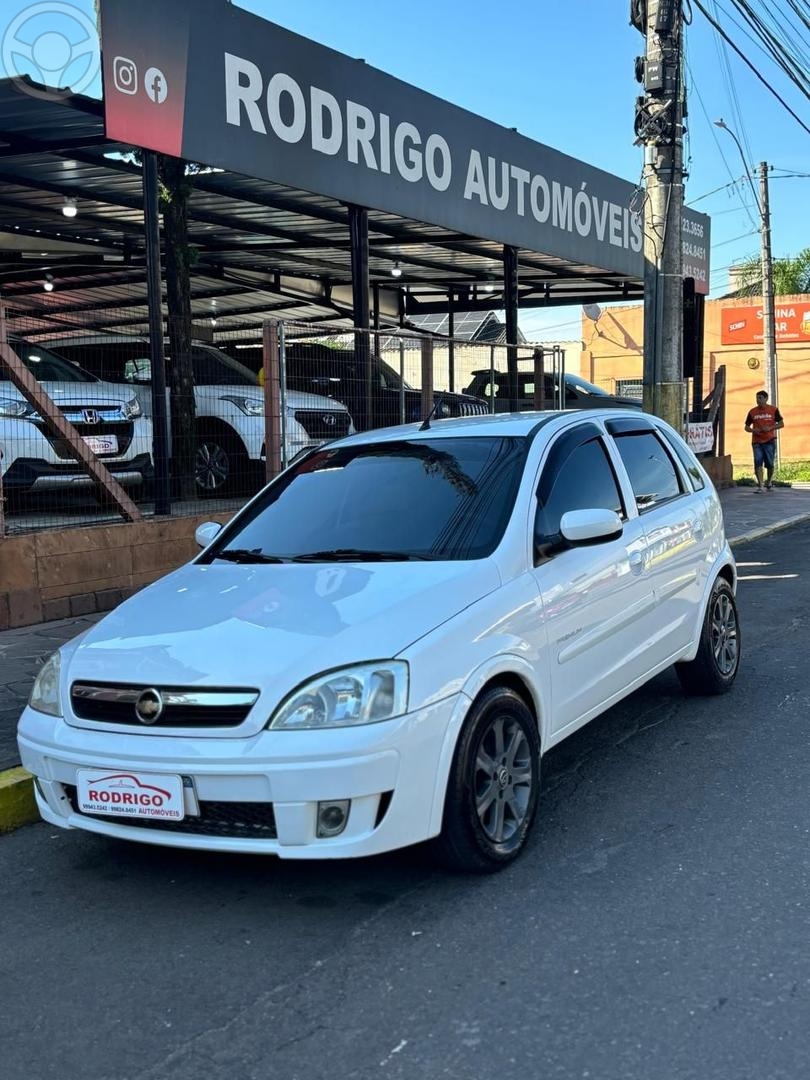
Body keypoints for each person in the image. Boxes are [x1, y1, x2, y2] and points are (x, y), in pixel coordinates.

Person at [744, 390, 784, 492]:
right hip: (756, 441)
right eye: (757, 398)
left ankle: (769, 481)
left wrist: (770, 428)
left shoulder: (773, 410)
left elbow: (781, 424)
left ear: (766, 399)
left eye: (760, 398)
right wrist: (753, 430)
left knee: (770, 464)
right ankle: (760, 485)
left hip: (769, 440)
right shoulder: (752, 412)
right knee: (758, 462)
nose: (758, 400)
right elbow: (746, 427)